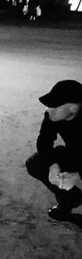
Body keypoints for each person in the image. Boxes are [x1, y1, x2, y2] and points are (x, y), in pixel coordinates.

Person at [26, 79, 82, 220]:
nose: (48, 109)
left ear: (73, 108)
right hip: (75, 153)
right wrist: (53, 165)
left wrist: (77, 176)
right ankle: (70, 199)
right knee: (35, 163)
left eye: (54, 106)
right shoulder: (52, 115)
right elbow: (44, 142)